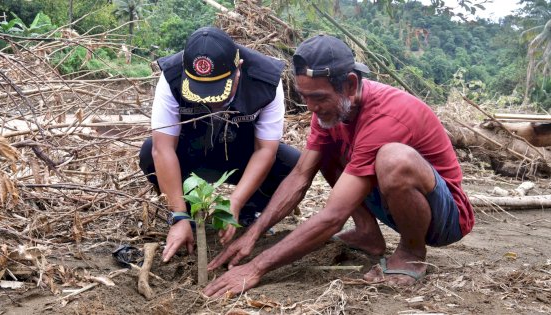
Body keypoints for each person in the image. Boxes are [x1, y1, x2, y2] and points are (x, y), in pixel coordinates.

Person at [203, 34, 475, 297]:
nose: (311, 107)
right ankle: (368, 233)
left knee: (394, 159)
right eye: (304, 96)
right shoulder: (333, 111)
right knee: (325, 152)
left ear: (351, 85)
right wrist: (254, 233)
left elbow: (333, 216)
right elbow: (300, 176)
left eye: (319, 97)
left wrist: (256, 267)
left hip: (444, 217)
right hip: (395, 206)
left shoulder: (386, 115)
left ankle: (412, 253)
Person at [139, 27, 301, 263]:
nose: (210, 101)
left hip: (241, 154)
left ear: (239, 69)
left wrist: (234, 202)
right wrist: (179, 215)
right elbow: (162, 149)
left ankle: (249, 212)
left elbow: (265, 149)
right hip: (192, 152)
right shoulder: (172, 75)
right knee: (148, 152)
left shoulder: (266, 80)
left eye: (218, 91)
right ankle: (188, 213)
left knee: (291, 164)